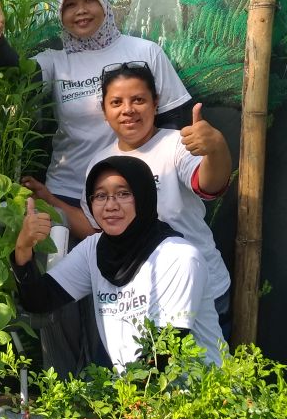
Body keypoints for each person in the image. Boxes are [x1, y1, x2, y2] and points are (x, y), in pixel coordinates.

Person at [0, 0, 193, 239]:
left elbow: (174, 120)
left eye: (89, 0)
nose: (80, 11)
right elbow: (20, 74)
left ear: (104, 3)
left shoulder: (144, 53)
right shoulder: (56, 61)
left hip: (126, 191)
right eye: (69, 5)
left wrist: (157, 180)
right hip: (67, 190)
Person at [12, 155, 222, 371]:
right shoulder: (93, 250)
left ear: (144, 196)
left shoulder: (178, 257)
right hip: (133, 394)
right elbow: (39, 300)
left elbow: (162, 357)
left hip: (198, 395)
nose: (110, 205)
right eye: (101, 196)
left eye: (123, 194)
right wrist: (23, 247)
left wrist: (113, 401)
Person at [81, 62, 232, 325]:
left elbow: (209, 185)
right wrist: (50, 202)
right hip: (138, 299)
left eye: (138, 99)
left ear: (155, 103)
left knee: (204, 367)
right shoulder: (99, 164)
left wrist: (216, 148)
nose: (128, 110)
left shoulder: (177, 145)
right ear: (105, 110)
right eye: (116, 102)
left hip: (199, 291)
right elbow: (97, 228)